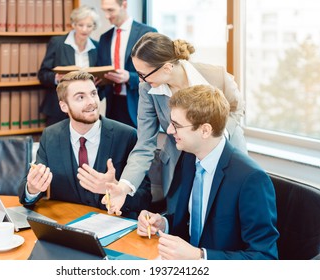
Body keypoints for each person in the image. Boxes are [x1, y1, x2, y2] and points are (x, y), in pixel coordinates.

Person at [78, 32, 247, 215]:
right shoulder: (148, 89)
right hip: (179, 160)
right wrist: (124, 186)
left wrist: (219, 134)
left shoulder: (215, 75)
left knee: (225, 213)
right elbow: (144, 144)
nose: (141, 80)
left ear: (166, 68)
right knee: (179, 217)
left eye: (143, 74)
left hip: (224, 150)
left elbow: (236, 109)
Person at [137, 84, 279, 260]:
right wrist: (163, 224)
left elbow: (265, 257)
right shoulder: (189, 157)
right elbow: (191, 221)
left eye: (176, 125)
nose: (169, 130)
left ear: (205, 130)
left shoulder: (251, 179)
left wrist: (200, 257)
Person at [18, 71, 152, 219]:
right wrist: (32, 188)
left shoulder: (126, 136)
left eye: (93, 94)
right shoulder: (50, 136)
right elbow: (28, 191)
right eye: (80, 97)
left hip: (113, 226)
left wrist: (116, 189)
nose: (92, 102)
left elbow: (145, 198)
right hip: (66, 226)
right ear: (64, 106)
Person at [96, 0, 157, 128]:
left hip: (138, 102)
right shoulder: (104, 38)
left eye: (110, 10)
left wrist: (129, 77)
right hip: (112, 104)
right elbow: (100, 68)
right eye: (104, 11)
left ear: (124, 5)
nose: (107, 16)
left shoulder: (147, 33)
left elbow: (156, 71)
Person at [38, 5, 100, 126]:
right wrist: (57, 78)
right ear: (73, 24)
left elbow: (100, 77)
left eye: (89, 26)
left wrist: (96, 84)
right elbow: (42, 74)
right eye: (80, 25)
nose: (84, 29)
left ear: (94, 27)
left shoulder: (97, 47)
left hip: (85, 109)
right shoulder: (57, 43)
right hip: (58, 107)